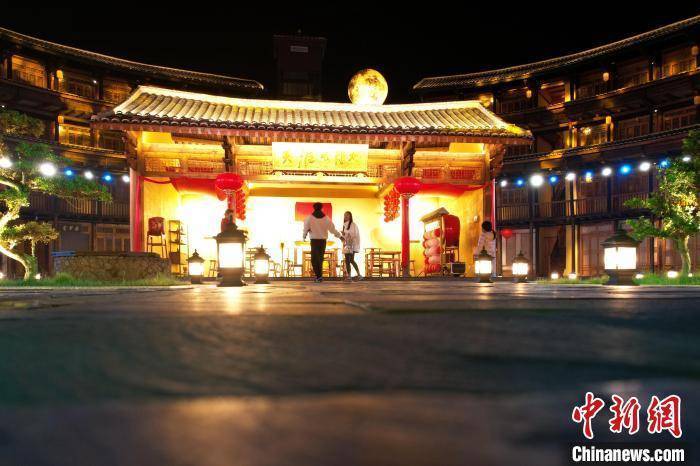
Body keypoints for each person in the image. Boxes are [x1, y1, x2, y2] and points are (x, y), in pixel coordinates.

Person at [303, 202, 343, 282]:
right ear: (321, 208)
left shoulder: (309, 218)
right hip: (322, 241)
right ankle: (319, 276)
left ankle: (319, 276)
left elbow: (306, 228)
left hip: (314, 241)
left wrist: (304, 236)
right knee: (320, 259)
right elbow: (332, 229)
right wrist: (340, 236)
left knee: (314, 259)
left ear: (314, 208)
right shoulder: (326, 218)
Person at [342, 211, 362, 281]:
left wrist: (346, 234)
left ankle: (356, 275)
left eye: (347, 215)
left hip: (352, 244)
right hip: (347, 244)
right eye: (345, 215)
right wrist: (343, 235)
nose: (346, 216)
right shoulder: (344, 225)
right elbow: (345, 236)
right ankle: (352, 275)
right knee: (348, 260)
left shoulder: (353, 224)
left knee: (350, 260)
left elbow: (354, 234)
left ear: (350, 216)